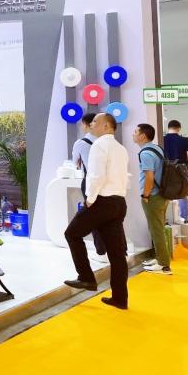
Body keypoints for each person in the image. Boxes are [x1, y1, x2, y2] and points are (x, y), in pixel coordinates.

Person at [63, 113, 130, 310]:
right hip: (119, 202)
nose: (91, 125)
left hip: (102, 201)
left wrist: (90, 199)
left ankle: (86, 277)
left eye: (95, 122)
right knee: (117, 254)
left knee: (72, 233)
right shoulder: (121, 148)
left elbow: (96, 175)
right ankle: (120, 298)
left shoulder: (99, 145)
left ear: (106, 126)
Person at [134, 124, 173, 275]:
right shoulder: (156, 148)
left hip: (153, 196)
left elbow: (149, 177)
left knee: (156, 230)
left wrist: (145, 195)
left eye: (135, 132)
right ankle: (160, 258)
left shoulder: (145, 153)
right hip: (162, 194)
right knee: (158, 228)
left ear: (143, 136)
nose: (133, 134)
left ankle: (164, 265)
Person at [70, 113, 107, 261]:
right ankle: (111, 250)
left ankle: (101, 252)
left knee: (93, 216)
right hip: (107, 182)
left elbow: (76, 163)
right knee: (107, 216)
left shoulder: (80, 142)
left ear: (87, 125)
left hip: (90, 181)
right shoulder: (105, 141)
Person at [163, 120, 188, 224]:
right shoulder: (185, 140)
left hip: (166, 169)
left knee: (166, 192)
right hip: (181, 169)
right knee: (183, 191)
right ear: (179, 128)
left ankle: (166, 219)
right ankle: (184, 218)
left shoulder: (162, 139)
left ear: (168, 128)